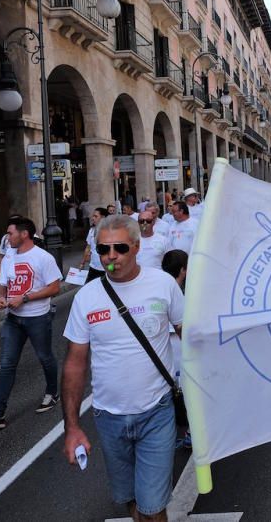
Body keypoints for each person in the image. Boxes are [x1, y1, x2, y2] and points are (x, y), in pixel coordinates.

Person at [61, 215, 184, 522]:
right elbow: (75, 365)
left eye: (119, 248)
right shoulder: (86, 297)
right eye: (103, 249)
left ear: (137, 247)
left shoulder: (163, 284)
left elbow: (191, 336)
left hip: (157, 411)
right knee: (129, 500)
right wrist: (73, 427)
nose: (111, 256)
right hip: (108, 417)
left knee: (152, 507)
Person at [0, 217, 62, 430]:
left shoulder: (43, 257)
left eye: (10, 233)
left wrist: (26, 298)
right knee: (7, 364)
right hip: (13, 319)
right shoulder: (9, 257)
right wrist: (2, 298)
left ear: (24, 234)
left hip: (38, 317)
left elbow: (54, 288)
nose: (7, 237)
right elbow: (3, 283)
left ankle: (52, 392)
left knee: (45, 356)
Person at [80, 208, 108, 282]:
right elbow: (88, 248)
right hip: (93, 268)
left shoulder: (110, 232)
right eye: (93, 216)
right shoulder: (91, 230)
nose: (93, 218)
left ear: (103, 217)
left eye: (96, 216)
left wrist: (111, 268)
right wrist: (82, 263)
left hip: (106, 270)